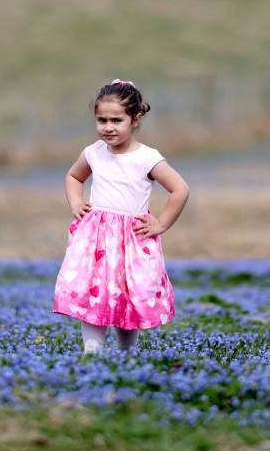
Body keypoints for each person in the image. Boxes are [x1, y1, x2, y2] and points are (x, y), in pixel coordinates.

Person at [52, 78, 190, 354]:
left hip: (131, 239)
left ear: (135, 119)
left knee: (129, 295)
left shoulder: (147, 157)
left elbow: (180, 189)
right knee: (95, 292)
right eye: (102, 120)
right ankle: (92, 350)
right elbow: (73, 176)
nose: (108, 127)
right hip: (96, 238)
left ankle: (128, 352)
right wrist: (77, 203)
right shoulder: (93, 152)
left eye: (117, 120)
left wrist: (161, 223)